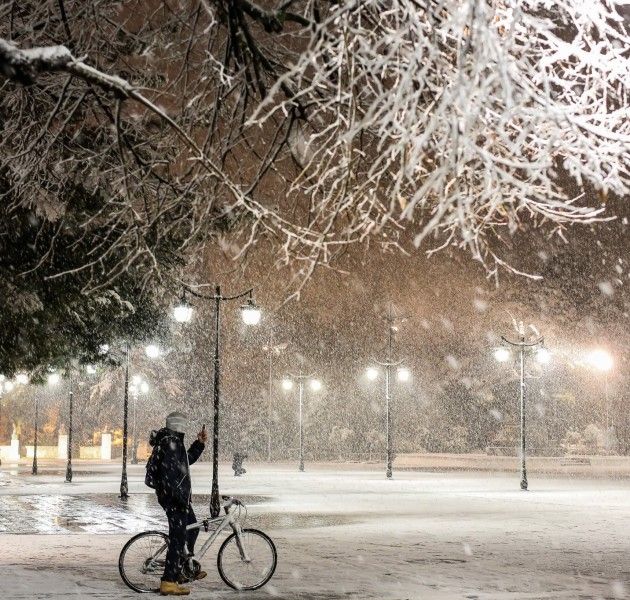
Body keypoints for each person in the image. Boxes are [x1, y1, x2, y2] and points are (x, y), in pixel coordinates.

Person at [151, 411, 208, 596]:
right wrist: (178, 498)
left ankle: (183, 569)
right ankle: (169, 581)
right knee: (178, 538)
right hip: (175, 499)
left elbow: (185, 461)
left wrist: (199, 444)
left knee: (192, 528)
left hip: (179, 498)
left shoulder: (173, 441)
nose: (185, 427)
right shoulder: (171, 442)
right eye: (184, 424)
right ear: (178, 425)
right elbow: (168, 475)